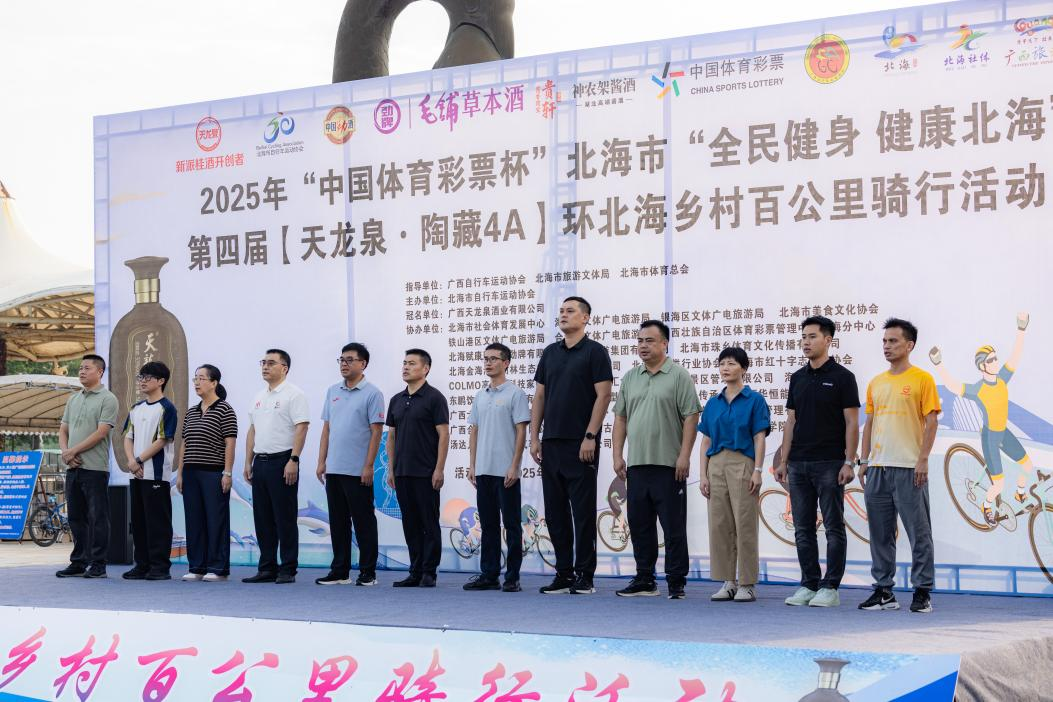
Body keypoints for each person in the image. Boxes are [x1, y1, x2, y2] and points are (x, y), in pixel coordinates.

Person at [775, 316, 860, 608]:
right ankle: (809, 584)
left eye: (812, 336)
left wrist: (849, 462)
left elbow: (852, 423)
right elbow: (791, 421)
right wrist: (784, 461)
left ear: (828, 340)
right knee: (803, 528)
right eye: (803, 337)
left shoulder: (843, 377)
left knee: (833, 527)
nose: (806, 342)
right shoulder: (798, 378)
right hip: (798, 464)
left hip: (830, 463)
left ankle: (830, 587)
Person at [530, 296, 613, 595]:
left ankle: (584, 576)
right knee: (555, 513)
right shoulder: (550, 353)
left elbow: (604, 395)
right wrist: (534, 437)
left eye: (570, 311)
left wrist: (590, 436)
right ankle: (563, 573)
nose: (563, 315)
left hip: (581, 444)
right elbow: (540, 396)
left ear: (585, 318)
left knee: (582, 512)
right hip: (551, 443)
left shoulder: (595, 352)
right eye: (561, 311)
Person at [612, 320, 701, 600]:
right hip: (637, 465)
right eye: (640, 341)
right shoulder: (631, 377)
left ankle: (676, 581)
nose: (643, 346)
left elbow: (691, 417)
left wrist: (684, 456)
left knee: (673, 527)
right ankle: (644, 579)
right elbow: (620, 418)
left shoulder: (679, 375)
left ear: (664, 344)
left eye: (649, 341)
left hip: (669, 466)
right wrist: (617, 455)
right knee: (640, 525)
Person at [858, 318, 940, 614]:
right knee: (880, 534)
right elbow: (869, 424)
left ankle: (922, 591)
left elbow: (931, 421)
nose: (887, 346)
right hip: (878, 468)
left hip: (908, 467)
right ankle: (884, 591)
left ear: (909, 345)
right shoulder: (876, 382)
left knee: (919, 533)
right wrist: (864, 460)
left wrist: (922, 459)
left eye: (893, 341)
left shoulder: (922, 379)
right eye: (884, 341)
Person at [930, 313, 1033, 525]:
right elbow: (953, 386)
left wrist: (1021, 329)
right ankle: (986, 506)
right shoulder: (978, 389)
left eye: (995, 358)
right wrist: (938, 364)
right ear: (982, 366)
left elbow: (1015, 357)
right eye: (990, 360)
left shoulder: (1002, 379)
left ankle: (1020, 494)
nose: (995, 362)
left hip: (1003, 432)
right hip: (990, 437)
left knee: (1028, 466)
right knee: (999, 485)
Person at [697, 347, 770, 603]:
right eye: (722, 364)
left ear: (744, 368)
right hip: (716, 464)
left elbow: (759, 438)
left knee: (744, 523)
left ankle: (747, 583)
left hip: (743, 462)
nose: (725, 368)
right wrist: (703, 474)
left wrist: (758, 470)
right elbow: (705, 441)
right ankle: (728, 581)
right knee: (719, 524)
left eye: (731, 363)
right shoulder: (713, 403)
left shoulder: (754, 400)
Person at [315, 342, 385, 587]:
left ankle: (368, 572)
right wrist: (321, 461)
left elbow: (376, 432)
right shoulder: (332, 391)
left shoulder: (373, 393)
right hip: (334, 468)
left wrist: (369, 465)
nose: (344, 364)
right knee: (338, 522)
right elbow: (326, 429)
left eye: (350, 360)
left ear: (363, 364)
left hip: (358, 470)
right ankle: (340, 571)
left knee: (364, 522)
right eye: (341, 360)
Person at [463, 342, 530, 593]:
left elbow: (521, 431)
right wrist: (472, 465)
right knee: (489, 525)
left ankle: (512, 577)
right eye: (486, 359)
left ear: (506, 363)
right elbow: (474, 430)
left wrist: (515, 466)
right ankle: (489, 575)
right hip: (483, 471)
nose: (488, 363)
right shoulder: (480, 395)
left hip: (506, 472)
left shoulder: (515, 394)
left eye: (493, 358)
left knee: (511, 525)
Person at [243, 349, 310, 584]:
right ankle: (267, 567)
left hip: (283, 461)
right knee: (262, 518)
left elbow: (302, 427)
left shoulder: (294, 394)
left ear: (284, 368)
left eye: (271, 363)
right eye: (263, 362)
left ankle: (288, 568)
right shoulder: (259, 396)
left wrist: (294, 459)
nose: (265, 366)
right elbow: (252, 430)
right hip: (260, 462)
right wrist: (247, 461)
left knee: (285, 517)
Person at [385, 348, 450, 588]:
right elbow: (391, 437)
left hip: (426, 472)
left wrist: (439, 469)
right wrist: (391, 469)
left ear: (426, 368)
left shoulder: (435, 398)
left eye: (412, 363)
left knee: (428, 523)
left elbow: (444, 435)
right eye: (404, 363)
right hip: (402, 471)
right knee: (410, 523)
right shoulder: (396, 400)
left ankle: (429, 572)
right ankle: (414, 570)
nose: (406, 367)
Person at [56, 355, 120, 579]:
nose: (81, 371)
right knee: (75, 517)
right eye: (80, 368)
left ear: (100, 372)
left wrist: (73, 451)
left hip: (95, 468)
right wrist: (66, 453)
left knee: (97, 517)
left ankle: (99, 564)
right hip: (73, 468)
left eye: (87, 368)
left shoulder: (108, 399)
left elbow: (101, 432)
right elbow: (63, 430)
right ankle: (79, 561)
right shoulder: (73, 399)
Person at [177, 364, 238, 582]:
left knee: (216, 520)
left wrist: (227, 473)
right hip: (191, 472)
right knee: (194, 520)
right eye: (195, 378)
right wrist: (180, 473)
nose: (196, 382)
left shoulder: (225, 409)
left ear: (214, 383)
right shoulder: (191, 412)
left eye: (201, 378)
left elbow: (230, 443)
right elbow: (184, 443)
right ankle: (197, 567)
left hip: (213, 473)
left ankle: (218, 568)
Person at [121, 362, 179, 581]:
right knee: (138, 521)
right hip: (135, 473)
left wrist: (139, 460)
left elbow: (163, 440)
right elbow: (128, 437)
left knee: (157, 522)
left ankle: (160, 567)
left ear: (161, 381)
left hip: (156, 474)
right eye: (141, 377)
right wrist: (131, 461)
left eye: (148, 377)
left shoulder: (167, 408)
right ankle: (142, 565)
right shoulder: (136, 408)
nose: (143, 381)